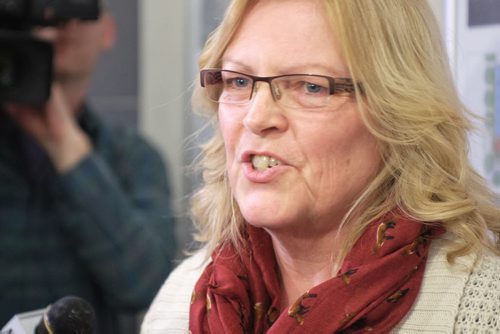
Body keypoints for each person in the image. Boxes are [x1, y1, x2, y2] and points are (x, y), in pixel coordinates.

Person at [141, 0, 500, 332]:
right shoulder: (179, 302)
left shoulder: (481, 309)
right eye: (239, 81)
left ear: (397, 113)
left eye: (310, 87)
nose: (257, 117)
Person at [0, 6, 176, 334]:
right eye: (44, 11)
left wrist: (66, 146)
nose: (59, 24)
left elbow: (148, 286)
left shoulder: (133, 157)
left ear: (107, 32)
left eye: (77, 10)